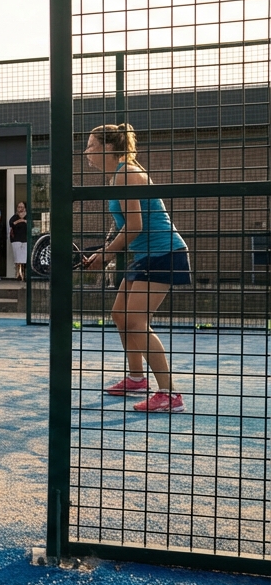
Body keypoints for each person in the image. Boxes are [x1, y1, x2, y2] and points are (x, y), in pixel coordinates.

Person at [81, 123, 190, 413]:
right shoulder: (119, 175)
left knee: (137, 321)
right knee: (120, 315)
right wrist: (104, 253)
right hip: (146, 254)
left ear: (107, 147)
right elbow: (122, 226)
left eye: (91, 145)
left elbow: (136, 226)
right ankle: (136, 379)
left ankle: (169, 394)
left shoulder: (127, 173)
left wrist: (105, 256)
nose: (86, 151)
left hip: (164, 253)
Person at [9, 202, 29, 280]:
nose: (20, 208)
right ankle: (18, 274)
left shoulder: (28, 216)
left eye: (22, 207)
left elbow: (31, 224)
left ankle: (24, 274)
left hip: (26, 239)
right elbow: (11, 224)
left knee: (25, 257)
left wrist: (21, 221)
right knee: (17, 257)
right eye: (19, 207)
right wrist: (21, 221)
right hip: (16, 239)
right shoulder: (14, 217)